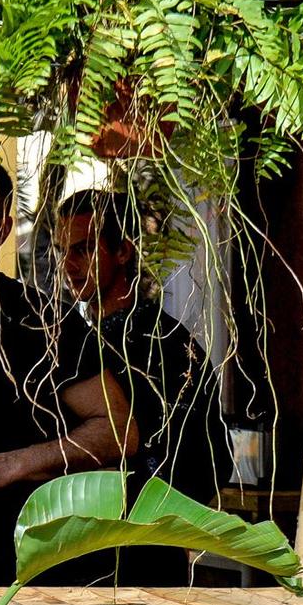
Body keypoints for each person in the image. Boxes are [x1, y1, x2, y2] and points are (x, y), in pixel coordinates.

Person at [0, 157, 139, 586]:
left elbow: (118, 431)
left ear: (1, 229)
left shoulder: (38, 319)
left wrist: (7, 466)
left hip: (11, 571)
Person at [53, 187, 232, 583]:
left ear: (123, 252)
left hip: (144, 559)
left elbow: (210, 459)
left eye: (83, 249)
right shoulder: (73, 341)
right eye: (62, 251)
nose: (69, 265)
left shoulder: (165, 343)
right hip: (76, 553)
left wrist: (149, 515)